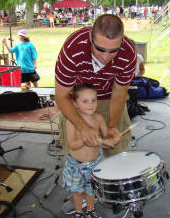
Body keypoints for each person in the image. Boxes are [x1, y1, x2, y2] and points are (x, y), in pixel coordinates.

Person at [55, 14, 137, 158]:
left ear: (122, 41)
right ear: (91, 38)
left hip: (108, 97)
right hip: (77, 101)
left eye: (113, 51)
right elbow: (61, 97)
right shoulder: (73, 48)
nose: (106, 57)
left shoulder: (128, 53)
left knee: (115, 154)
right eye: (100, 49)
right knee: (78, 156)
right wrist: (82, 127)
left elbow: (119, 93)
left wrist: (112, 126)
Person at [63, 82, 116, 218]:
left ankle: (91, 209)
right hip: (76, 165)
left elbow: (107, 136)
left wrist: (111, 140)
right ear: (75, 103)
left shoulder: (98, 118)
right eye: (85, 101)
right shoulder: (72, 121)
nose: (91, 104)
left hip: (94, 163)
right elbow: (72, 145)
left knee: (91, 191)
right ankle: (79, 211)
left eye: (93, 100)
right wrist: (84, 139)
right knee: (78, 191)